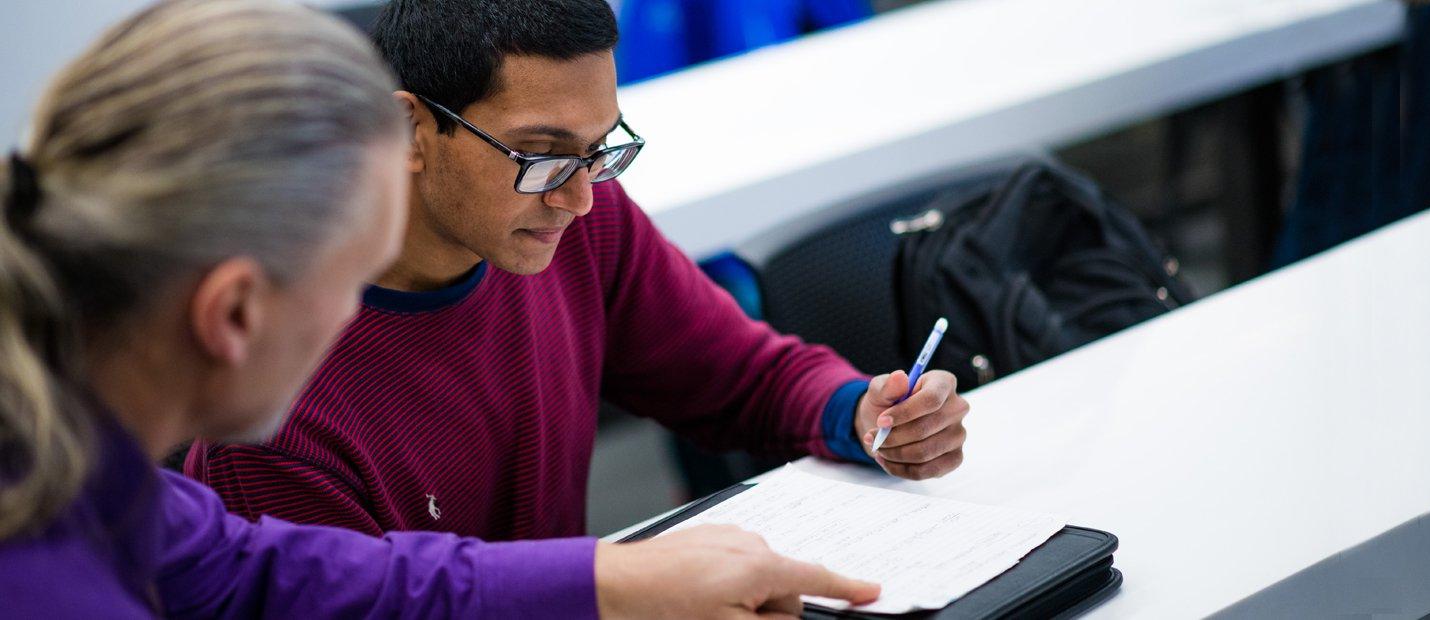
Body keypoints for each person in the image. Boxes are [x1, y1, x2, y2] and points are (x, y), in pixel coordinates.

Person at [0, 1, 879, 616]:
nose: (361, 310)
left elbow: (274, 575)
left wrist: (609, 584)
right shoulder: (56, 580)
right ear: (233, 313)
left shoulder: (92, 478)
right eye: (347, 281)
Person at [188, 0, 971, 541]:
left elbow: (741, 377)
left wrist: (859, 413)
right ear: (410, 129)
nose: (579, 198)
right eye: (538, 154)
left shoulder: (574, 226)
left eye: (601, 149)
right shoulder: (274, 408)